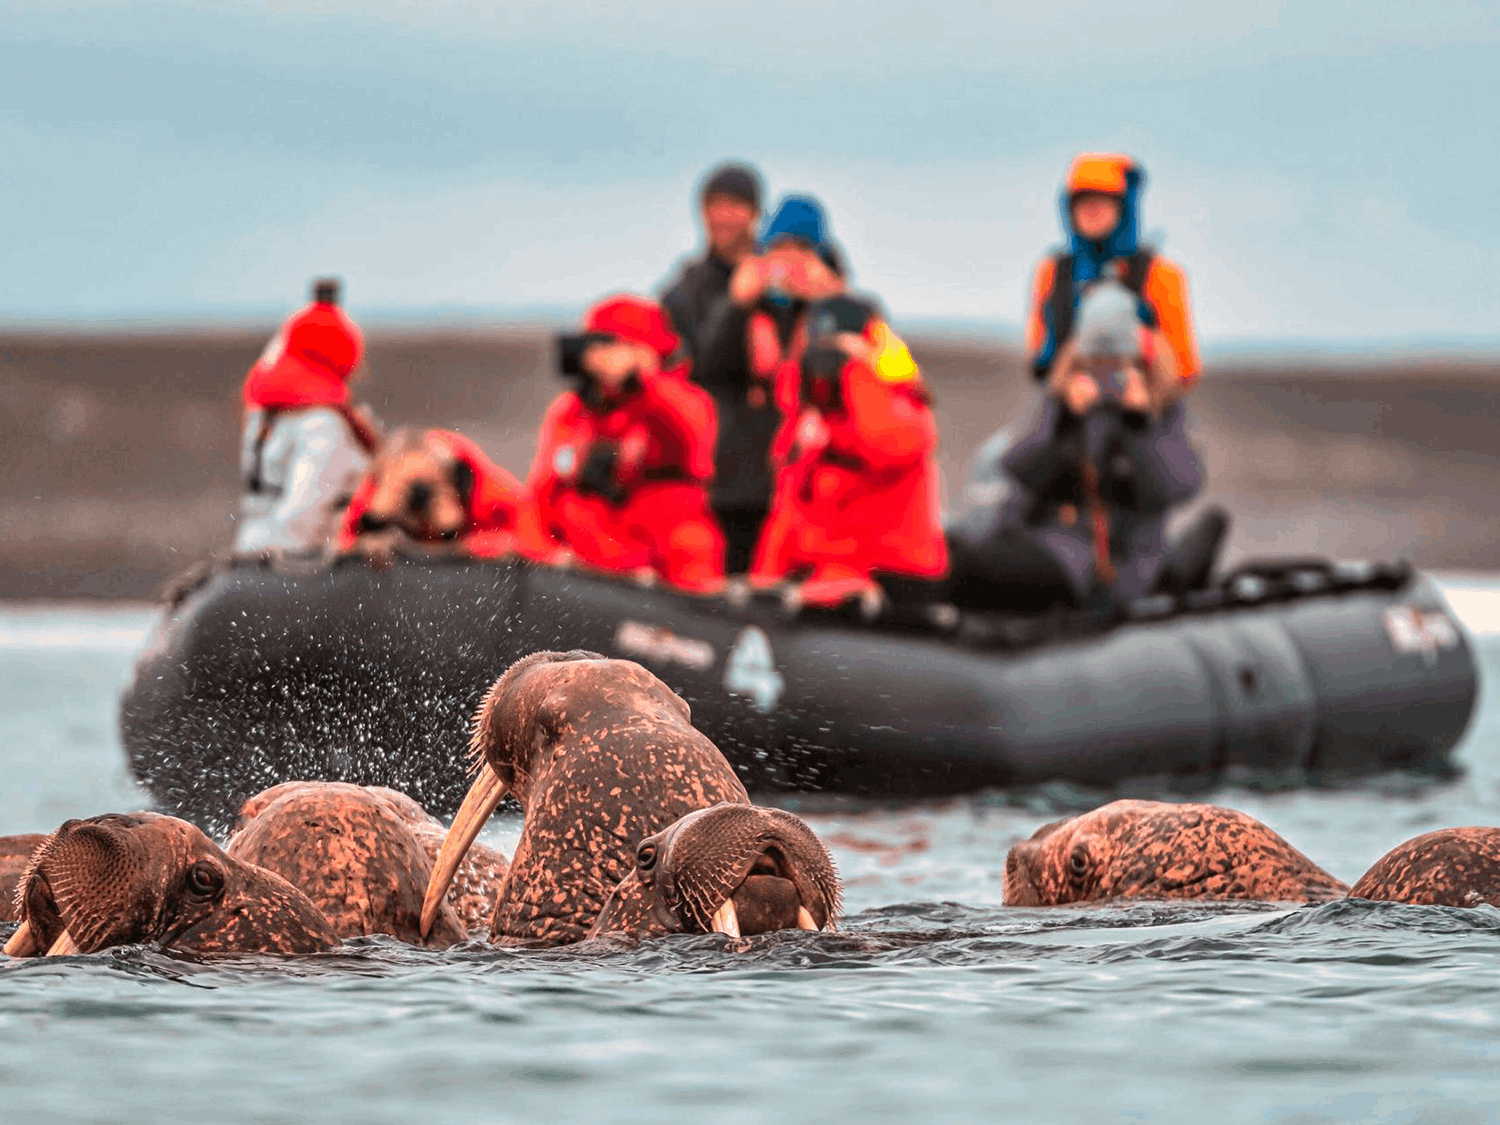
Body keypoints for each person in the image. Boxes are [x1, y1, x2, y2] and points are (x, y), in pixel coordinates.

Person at [960, 279, 1218, 611]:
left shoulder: (1162, 409)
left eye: (1118, 365)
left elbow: (1180, 485)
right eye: (1096, 362)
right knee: (964, 556)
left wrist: (1139, 426)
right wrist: (1065, 419)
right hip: (1048, 540)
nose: (1106, 375)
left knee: (985, 568)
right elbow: (1018, 467)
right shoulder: (1064, 398)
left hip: (1113, 562)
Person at [749, 293, 948, 610]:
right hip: (830, 574)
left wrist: (859, 372)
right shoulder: (814, 419)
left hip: (893, 578)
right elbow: (789, 510)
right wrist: (764, 585)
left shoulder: (905, 404)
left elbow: (886, 445)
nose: (831, 360)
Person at [524, 295, 724, 592]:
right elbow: (541, 495)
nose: (605, 360)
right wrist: (540, 560)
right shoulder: (572, 412)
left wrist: (640, 381)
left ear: (650, 352)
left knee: (688, 534)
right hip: (596, 567)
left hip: (673, 567)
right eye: (597, 347)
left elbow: (688, 430)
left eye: (620, 347)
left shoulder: (686, 400)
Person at [694, 194, 847, 573]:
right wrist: (736, 303)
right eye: (780, 249)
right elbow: (706, 368)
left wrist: (836, 304)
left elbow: (884, 370)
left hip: (810, 492)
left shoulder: (840, 312)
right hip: (737, 487)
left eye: (801, 250)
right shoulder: (739, 306)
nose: (788, 263)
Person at [1025, 153, 1201, 388]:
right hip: (1069, 398)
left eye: (1102, 201)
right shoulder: (1053, 272)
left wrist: (1141, 347)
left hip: (1147, 401)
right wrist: (1071, 379)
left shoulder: (1159, 274)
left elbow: (1185, 367)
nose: (1091, 211)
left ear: (1124, 208)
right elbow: (1038, 355)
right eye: (1082, 202)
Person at [235, 278, 380, 555]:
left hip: (250, 546)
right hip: (298, 564)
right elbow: (302, 515)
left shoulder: (263, 414)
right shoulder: (322, 425)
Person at [337, 427, 525, 561]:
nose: (419, 497)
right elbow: (340, 545)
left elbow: (532, 539)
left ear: (455, 482)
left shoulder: (490, 493)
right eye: (407, 485)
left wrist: (460, 537)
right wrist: (373, 523)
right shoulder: (373, 491)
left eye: (429, 485)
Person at [660, 162, 763, 358]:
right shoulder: (685, 287)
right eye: (713, 205)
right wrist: (736, 304)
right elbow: (697, 361)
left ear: (755, 212)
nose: (722, 216)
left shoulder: (778, 272)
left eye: (734, 205)